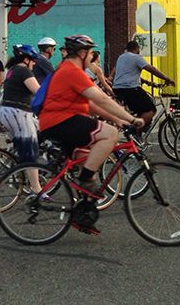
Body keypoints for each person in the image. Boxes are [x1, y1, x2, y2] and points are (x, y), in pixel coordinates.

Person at [38, 34, 144, 232]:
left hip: (60, 121)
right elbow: (102, 99)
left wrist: (118, 119)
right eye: (90, 53)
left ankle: (82, 214)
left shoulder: (69, 69)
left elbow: (92, 105)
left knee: (88, 161)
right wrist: (131, 119)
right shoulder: (72, 71)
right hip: (60, 122)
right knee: (110, 135)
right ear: (82, 53)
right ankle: (85, 179)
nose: (92, 56)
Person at [0, 44, 44, 192]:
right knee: (30, 150)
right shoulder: (24, 71)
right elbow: (39, 92)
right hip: (18, 113)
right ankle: (37, 190)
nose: (34, 63)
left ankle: (19, 171)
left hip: (8, 112)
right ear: (26, 59)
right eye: (33, 60)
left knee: (39, 131)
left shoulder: (12, 70)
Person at [113, 40, 175, 125]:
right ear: (136, 48)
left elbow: (128, 74)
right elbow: (151, 69)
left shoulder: (121, 57)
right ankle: (134, 129)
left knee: (141, 110)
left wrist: (147, 82)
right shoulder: (136, 57)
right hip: (130, 89)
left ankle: (138, 132)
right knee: (151, 110)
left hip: (117, 88)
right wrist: (166, 78)